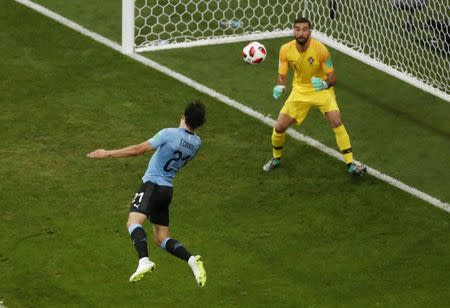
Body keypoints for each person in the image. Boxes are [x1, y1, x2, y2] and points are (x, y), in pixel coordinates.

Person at [87, 100, 207, 286]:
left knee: (133, 222)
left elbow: (138, 150)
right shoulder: (197, 143)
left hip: (152, 185)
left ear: (183, 116)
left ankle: (144, 260)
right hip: (167, 190)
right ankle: (192, 260)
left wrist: (108, 153)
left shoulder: (169, 134)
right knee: (161, 238)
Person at [263, 17, 367, 176]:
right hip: (300, 91)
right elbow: (282, 74)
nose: (301, 32)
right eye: (297, 29)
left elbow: (332, 77)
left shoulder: (320, 49)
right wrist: (281, 85)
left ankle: (351, 163)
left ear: (310, 32)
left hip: (321, 90)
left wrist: (325, 84)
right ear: (293, 31)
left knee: (336, 121)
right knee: (279, 127)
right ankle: (276, 158)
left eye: (305, 29)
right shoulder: (285, 49)